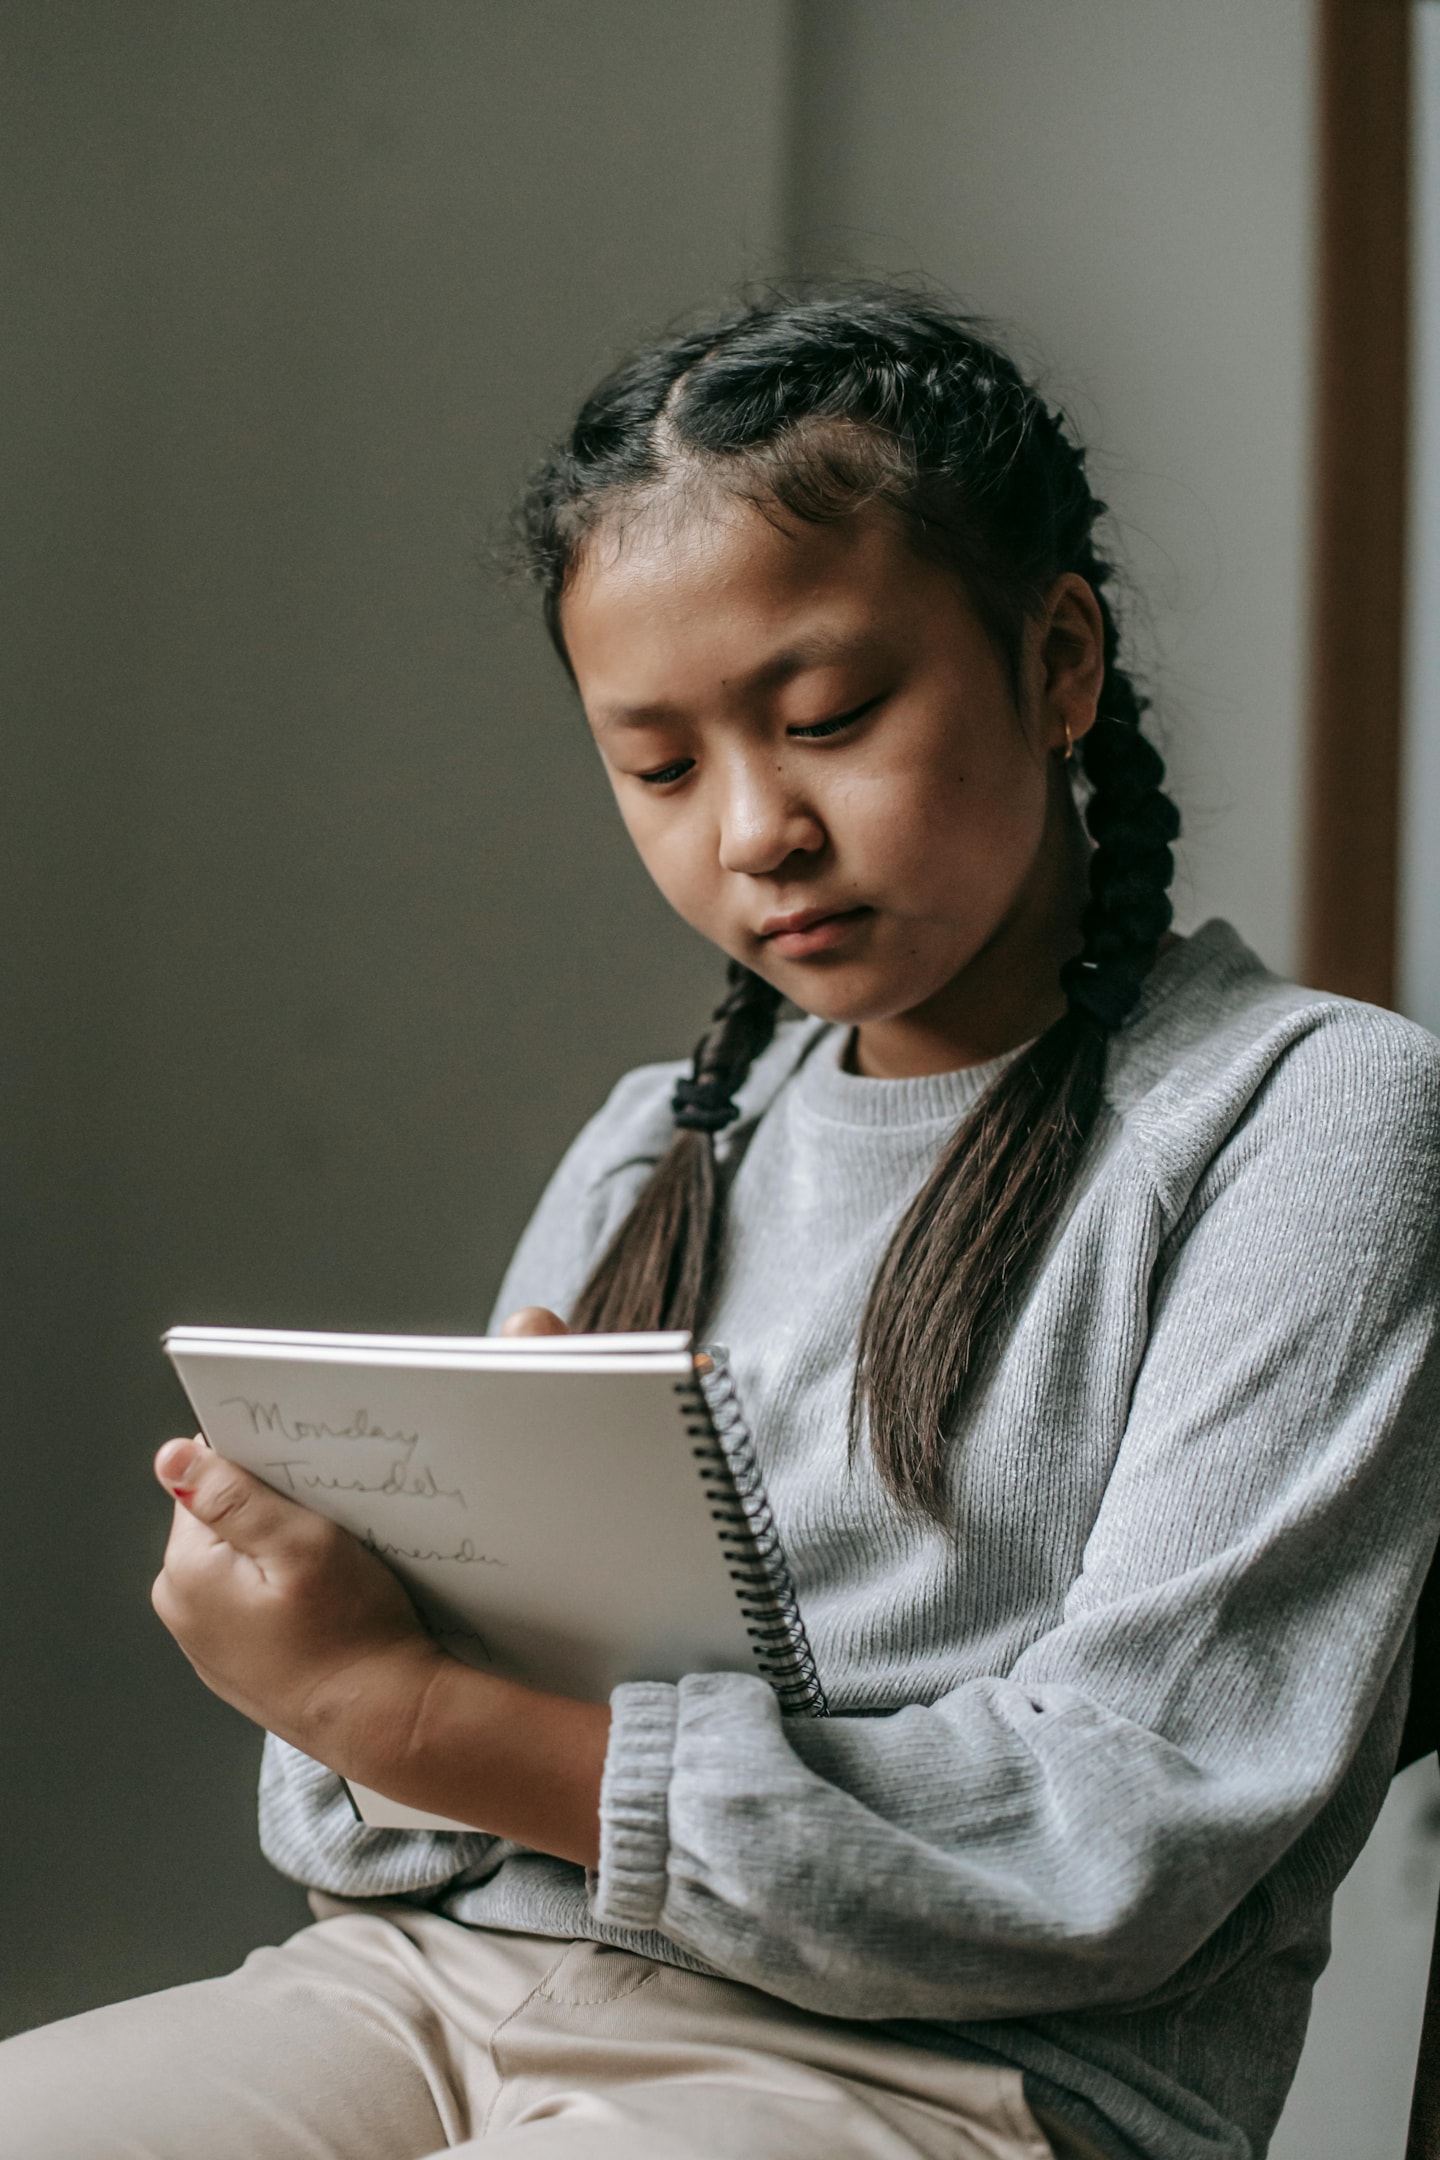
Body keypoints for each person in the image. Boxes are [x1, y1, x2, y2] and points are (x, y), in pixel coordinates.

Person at [5, 289, 1439, 2160]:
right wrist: (336, 1648)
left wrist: (404, 1708)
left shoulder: (1308, 1120)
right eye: (661, 767)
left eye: (831, 717)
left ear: (1061, 657)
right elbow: (365, 1807)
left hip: (948, 2074)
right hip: (438, 1982)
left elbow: (1121, 1837)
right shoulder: (654, 1151)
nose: (756, 828)